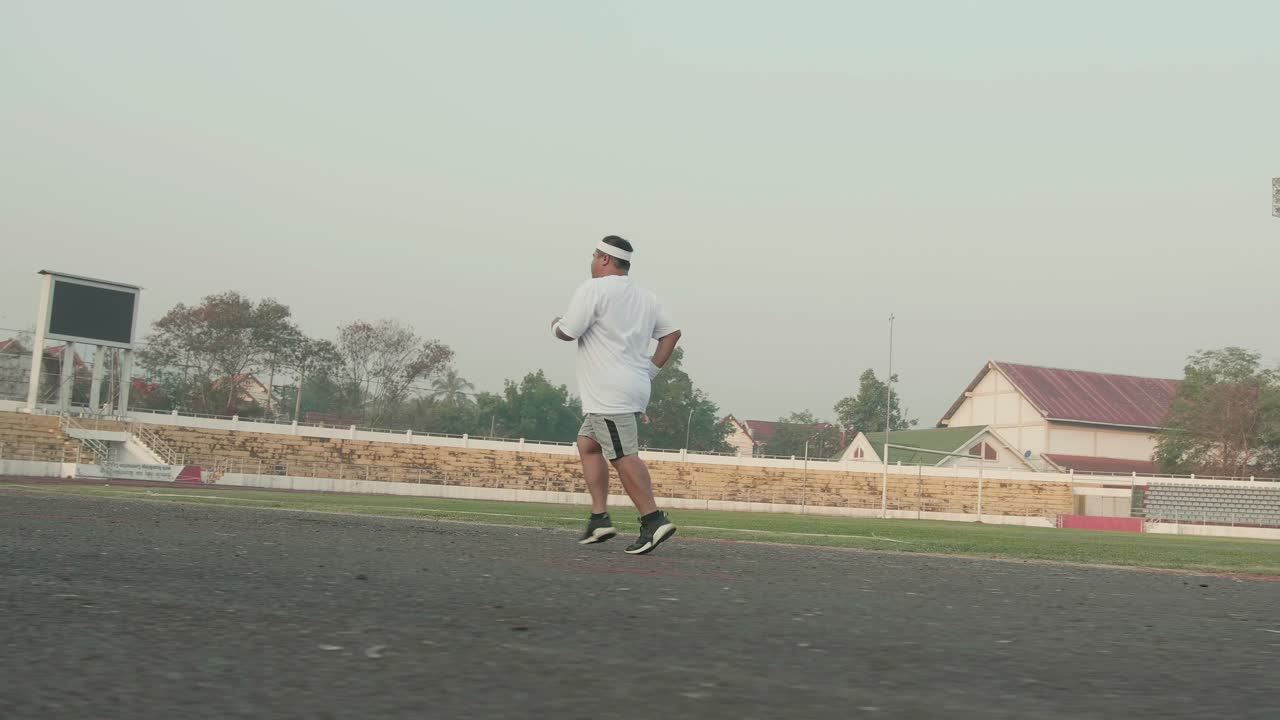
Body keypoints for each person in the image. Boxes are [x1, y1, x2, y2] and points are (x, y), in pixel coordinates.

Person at [552, 235, 682, 555]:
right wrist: (649, 371)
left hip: (609, 392)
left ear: (606, 259)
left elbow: (568, 332)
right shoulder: (646, 297)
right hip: (630, 386)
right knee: (588, 444)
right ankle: (600, 518)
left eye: (595, 256)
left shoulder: (593, 289)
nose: (593, 261)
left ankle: (653, 519)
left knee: (623, 455)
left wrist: (554, 324)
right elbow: (671, 334)